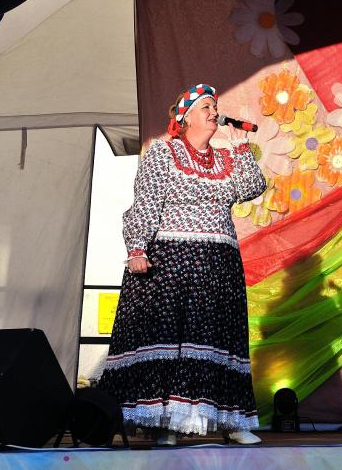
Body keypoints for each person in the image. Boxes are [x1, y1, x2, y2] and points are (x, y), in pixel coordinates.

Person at [98, 84, 266, 445]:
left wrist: (240, 145)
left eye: (215, 106)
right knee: (170, 338)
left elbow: (252, 187)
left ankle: (231, 420)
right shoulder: (164, 153)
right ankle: (165, 423)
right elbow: (146, 202)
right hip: (173, 260)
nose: (214, 111)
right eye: (206, 106)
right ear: (185, 116)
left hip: (218, 263)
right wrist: (137, 249)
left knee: (217, 337)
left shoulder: (227, 158)